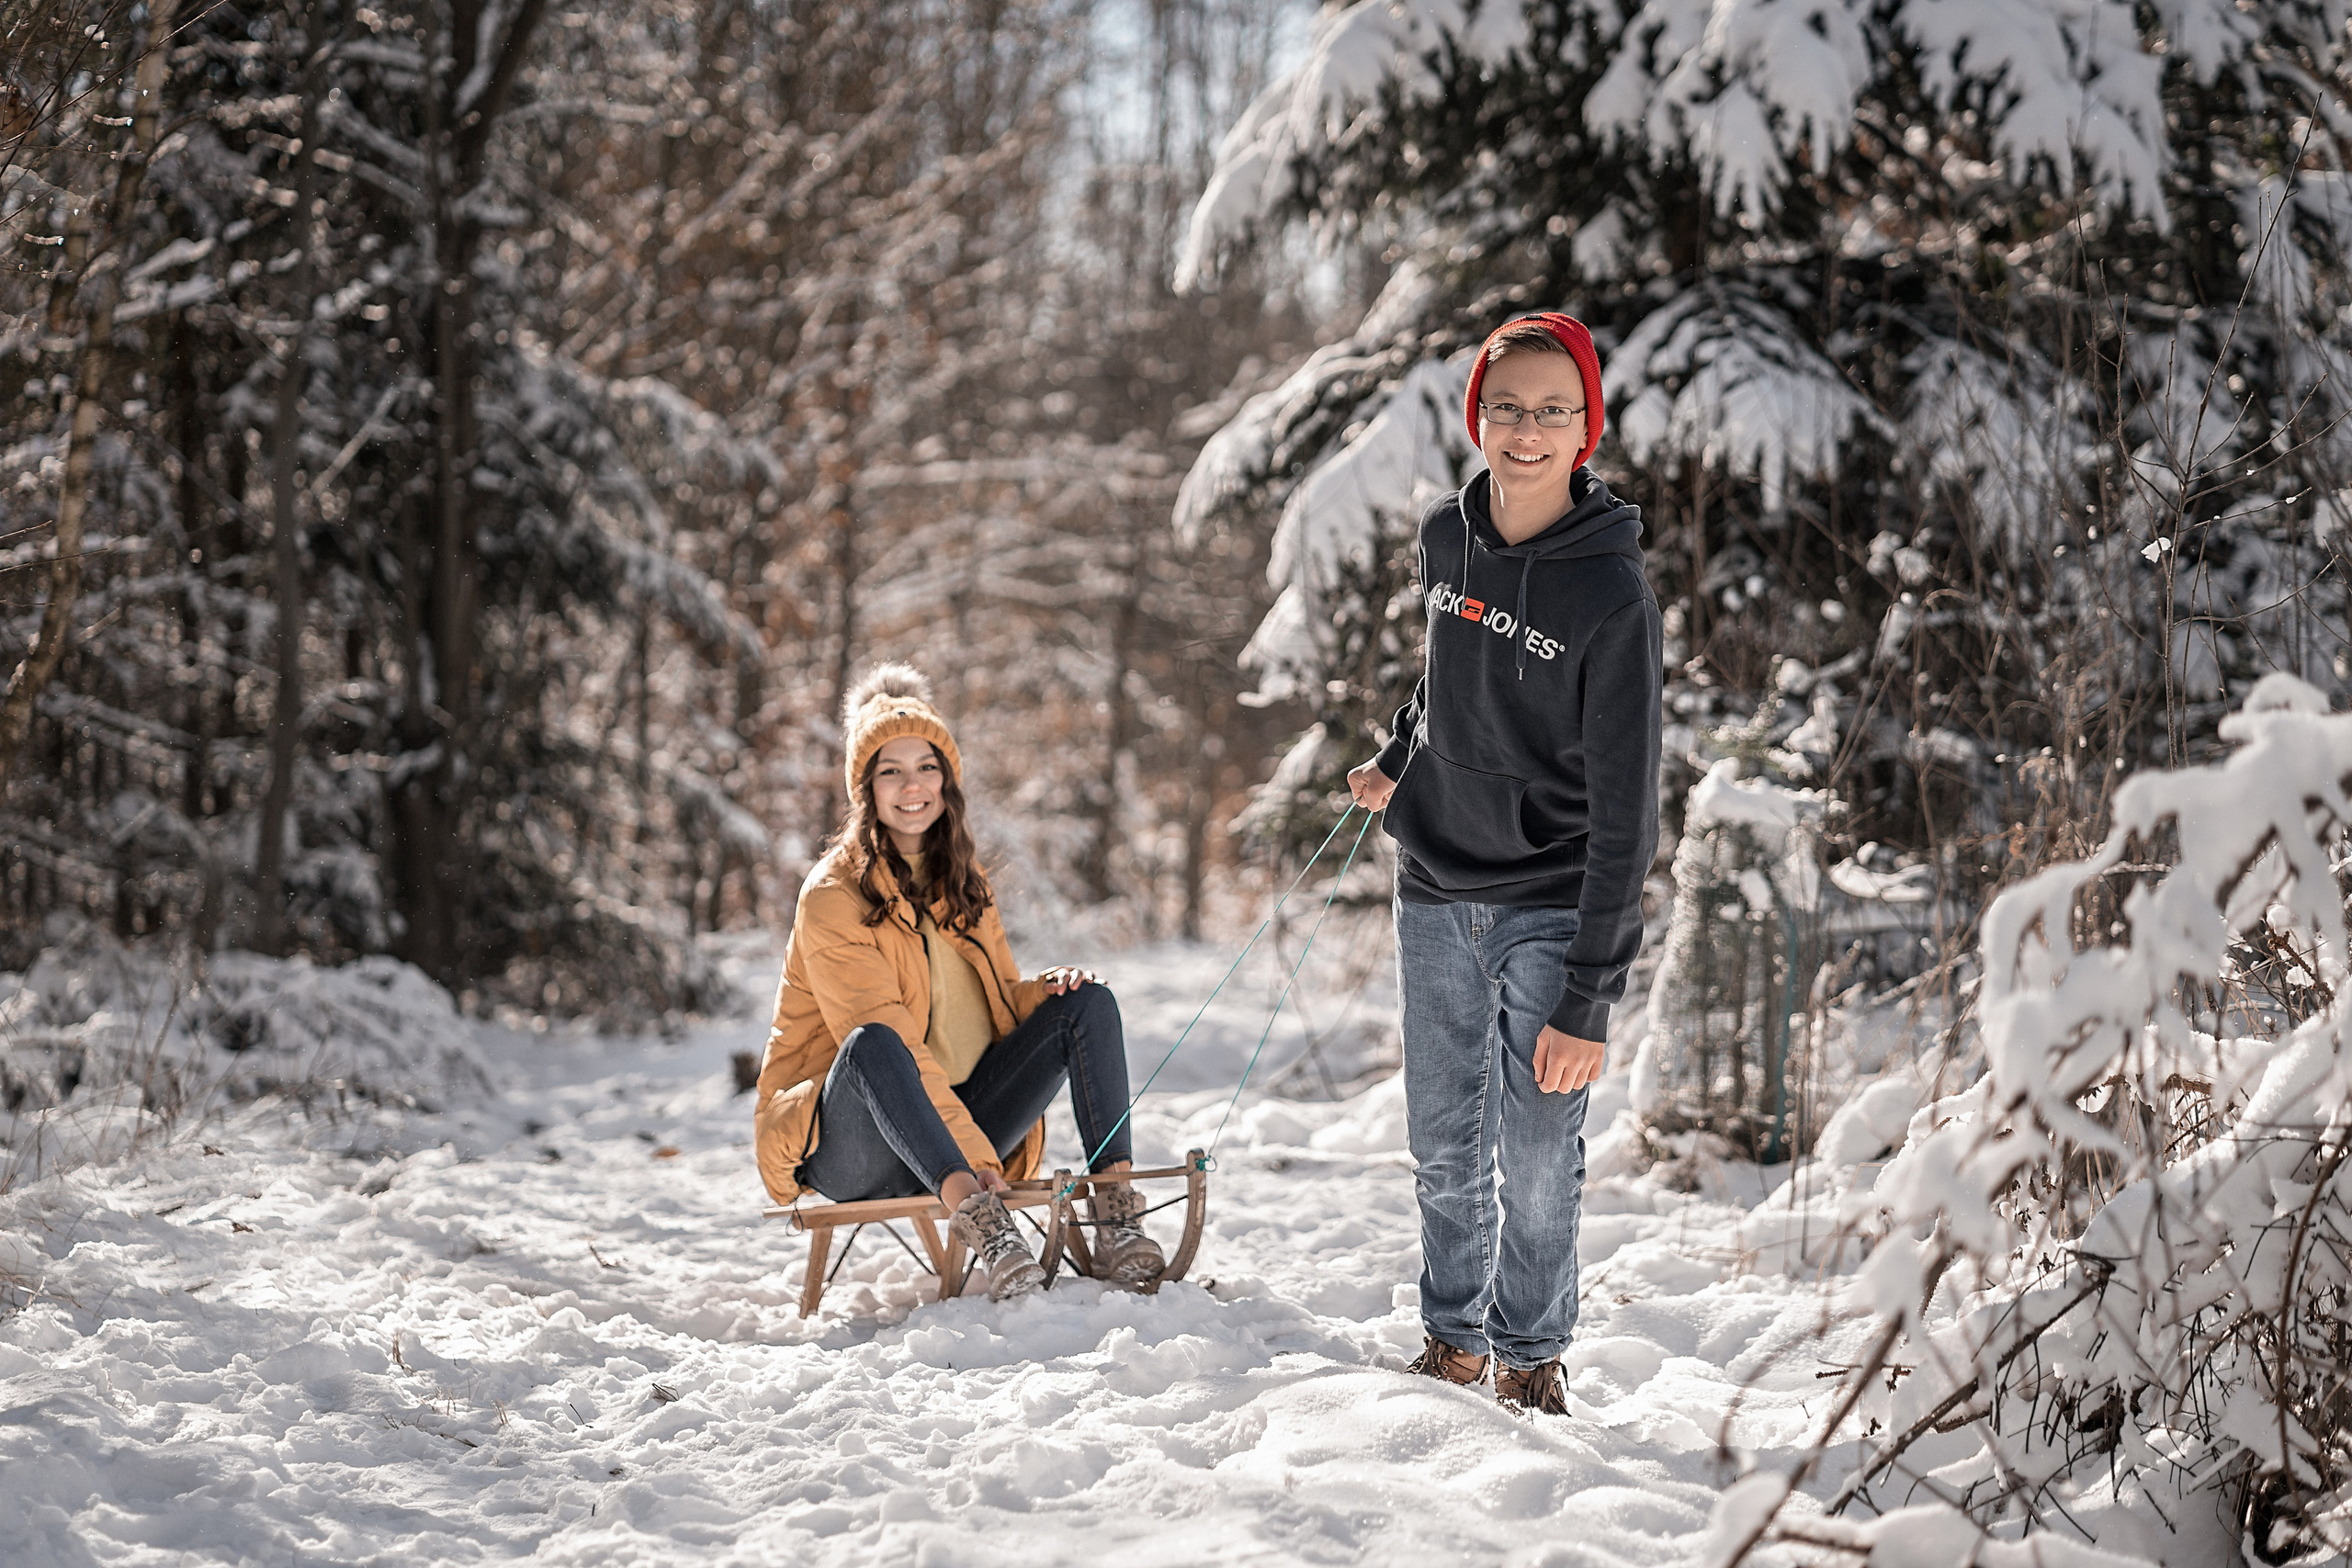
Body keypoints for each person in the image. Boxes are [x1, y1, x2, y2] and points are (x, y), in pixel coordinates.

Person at [1346, 313, 1662, 1414]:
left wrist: (1591, 992)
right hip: (1434, 887)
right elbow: (1448, 676)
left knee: (1534, 1153)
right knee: (1441, 1142)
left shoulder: (1610, 597)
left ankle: (1530, 1358)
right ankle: (1455, 1343)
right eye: (1508, 406)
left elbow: (1630, 812)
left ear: (1587, 428)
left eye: (1554, 410)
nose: (1528, 430)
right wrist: (1401, 755)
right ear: (1478, 414)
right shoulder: (1448, 536)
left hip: (1549, 902)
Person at [753, 665, 1164, 1302]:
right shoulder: (832, 896)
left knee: (1089, 1002)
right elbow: (893, 1046)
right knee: (873, 1042)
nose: (912, 785)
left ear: (947, 778)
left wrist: (1049, 995)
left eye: (927, 766)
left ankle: (1116, 1213)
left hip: (954, 1127)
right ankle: (985, 1225)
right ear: (864, 788)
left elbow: (993, 1007)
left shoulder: (961, 881)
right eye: (891, 769)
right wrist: (974, 1161)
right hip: (853, 1143)